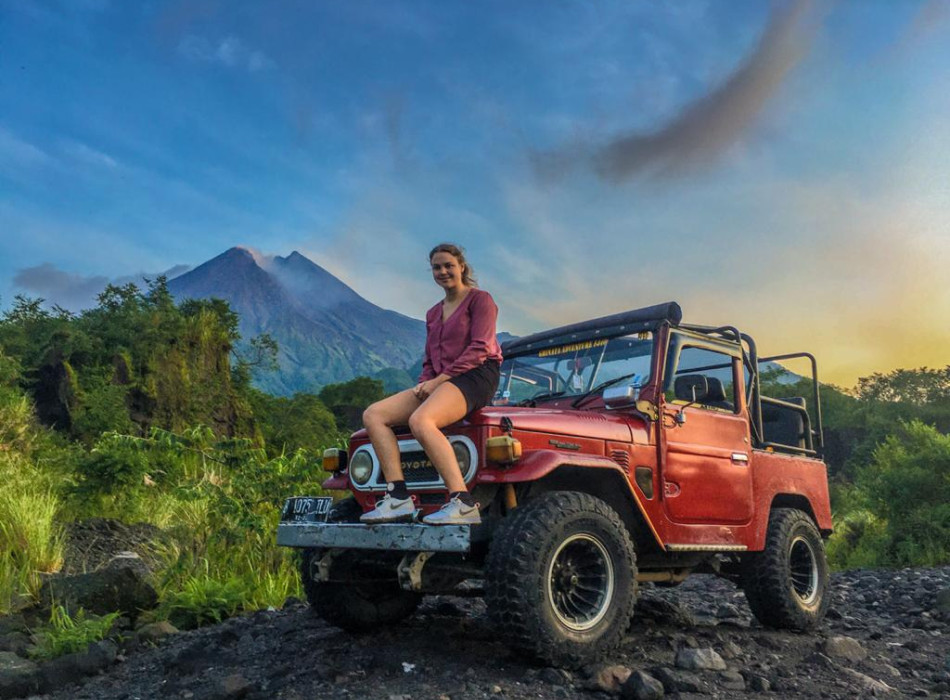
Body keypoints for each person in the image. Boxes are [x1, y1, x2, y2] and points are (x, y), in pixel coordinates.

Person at [360, 243, 503, 525]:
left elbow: (480, 348)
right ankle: (398, 497)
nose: (443, 271)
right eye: (437, 267)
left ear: (462, 266)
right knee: (373, 415)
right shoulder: (433, 313)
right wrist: (425, 384)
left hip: (477, 374)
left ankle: (462, 502)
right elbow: (431, 358)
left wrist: (438, 381)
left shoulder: (480, 300)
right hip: (442, 379)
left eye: (448, 265)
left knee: (422, 420)